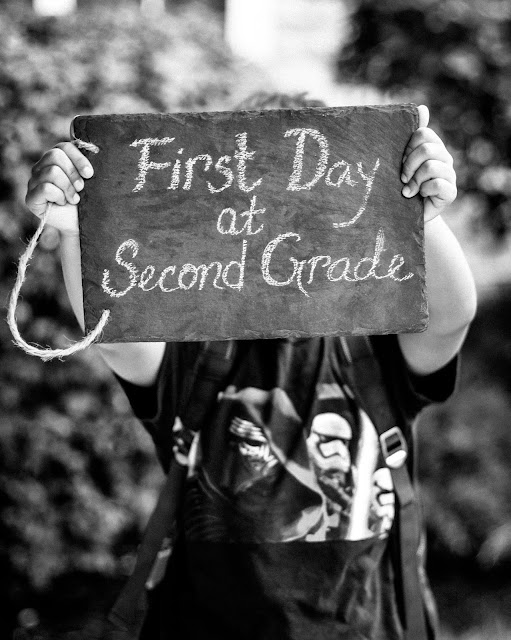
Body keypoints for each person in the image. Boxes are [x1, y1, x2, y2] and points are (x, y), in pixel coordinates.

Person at [25, 93, 476, 640]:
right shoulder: (195, 352)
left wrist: (420, 219)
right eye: (254, 206)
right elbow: (116, 331)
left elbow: (450, 319)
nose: (276, 237)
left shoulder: (372, 349)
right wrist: (80, 228)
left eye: (302, 208)